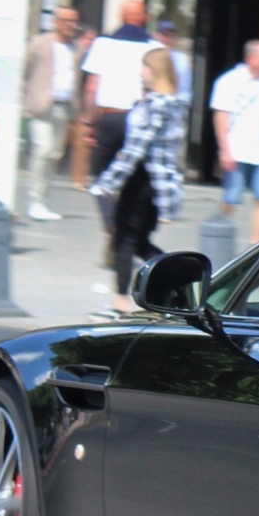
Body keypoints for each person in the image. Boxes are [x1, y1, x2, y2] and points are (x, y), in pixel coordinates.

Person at [91, 47, 188, 316]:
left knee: (125, 240)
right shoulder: (173, 103)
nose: (141, 73)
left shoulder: (157, 105)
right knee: (140, 241)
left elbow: (136, 149)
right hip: (156, 183)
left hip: (141, 179)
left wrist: (108, 182)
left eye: (145, 67)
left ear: (155, 71)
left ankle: (120, 302)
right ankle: (177, 284)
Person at [80, 0, 159, 247]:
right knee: (132, 177)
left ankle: (112, 223)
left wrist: (89, 121)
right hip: (138, 118)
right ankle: (125, 230)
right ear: (144, 17)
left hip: (109, 117)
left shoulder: (103, 44)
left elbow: (92, 87)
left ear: (121, 16)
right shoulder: (154, 47)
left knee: (101, 174)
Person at [210, 38, 259, 238]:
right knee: (231, 197)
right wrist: (224, 149)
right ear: (252, 59)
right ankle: (218, 234)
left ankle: (255, 245)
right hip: (237, 150)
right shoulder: (229, 81)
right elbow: (221, 116)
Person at [22, 4, 85, 222]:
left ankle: (43, 200)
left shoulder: (76, 49)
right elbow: (26, 69)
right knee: (42, 149)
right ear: (56, 22)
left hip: (64, 106)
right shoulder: (40, 44)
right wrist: (28, 97)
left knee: (54, 153)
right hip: (41, 105)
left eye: (74, 21)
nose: (71, 25)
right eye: (67, 20)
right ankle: (34, 201)